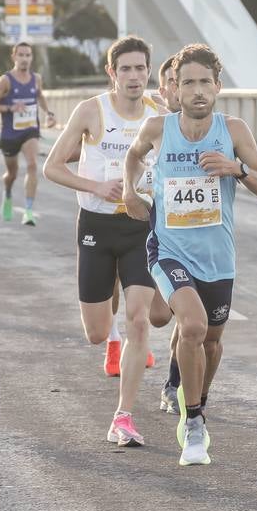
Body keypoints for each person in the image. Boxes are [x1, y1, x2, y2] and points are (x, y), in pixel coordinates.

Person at [123, 43, 257, 466]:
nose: (196, 90)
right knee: (191, 326)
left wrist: (235, 169)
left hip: (218, 256)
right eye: (187, 82)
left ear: (218, 87)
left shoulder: (234, 131)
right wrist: (128, 193)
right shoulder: (157, 128)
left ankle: (198, 400)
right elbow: (133, 158)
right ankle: (192, 423)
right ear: (174, 87)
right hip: (168, 248)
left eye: (204, 82)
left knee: (210, 343)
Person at [44, 36, 163, 445]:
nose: (134, 76)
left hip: (140, 226)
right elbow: (53, 167)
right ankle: (110, 340)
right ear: (112, 73)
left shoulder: (159, 114)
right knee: (96, 330)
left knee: (139, 317)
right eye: (125, 69)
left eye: (140, 68)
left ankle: (123, 416)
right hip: (96, 225)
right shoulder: (90, 111)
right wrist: (96, 185)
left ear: (149, 72)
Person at [0, 42, 56, 225]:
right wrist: (10, 107)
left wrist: (48, 113)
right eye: (21, 55)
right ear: (14, 57)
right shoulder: (5, 80)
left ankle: (28, 211)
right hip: (9, 135)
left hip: (30, 130)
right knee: (12, 174)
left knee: (32, 165)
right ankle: (7, 193)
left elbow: (39, 95)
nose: (25, 59)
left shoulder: (36, 78)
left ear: (31, 58)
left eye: (28, 55)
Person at [148, 52, 185, 414]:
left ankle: (174, 383)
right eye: (175, 82)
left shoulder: (211, 128)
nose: (181, 89)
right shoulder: (154, 130)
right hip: (159, 235)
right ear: (163, 90)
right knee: (159, 316)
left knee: (192, 320)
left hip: (200, 240)